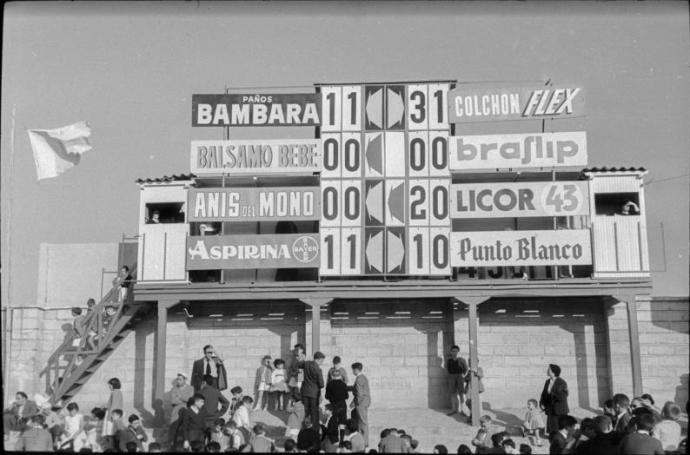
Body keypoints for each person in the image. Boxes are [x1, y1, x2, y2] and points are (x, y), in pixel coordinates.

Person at [539, 364, 569, 435]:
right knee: (552, 424)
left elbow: (563, 396)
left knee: (560, 425)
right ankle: (552, 436)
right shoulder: (547, 381)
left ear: (554, 372)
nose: (547, 371)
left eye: (549, 370)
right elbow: (544, 394)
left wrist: (552, 394)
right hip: (550, 407)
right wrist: (542, 403)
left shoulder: (561, 382)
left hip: (559, 408)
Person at [301, 351, 326, 434]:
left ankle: (304, 430)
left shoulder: (306, 364)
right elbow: (322, 384)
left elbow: (299, 365)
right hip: (314, 394)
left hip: (305, 392)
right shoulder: (318, 369)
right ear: (318, 359)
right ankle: (314, 432)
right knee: (314, 413)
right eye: (322, 361)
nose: (322, 363)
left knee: (306, 412)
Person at [350, 362, 371, 449]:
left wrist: (356, 403)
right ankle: (363, 441)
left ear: (356, 369)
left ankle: (364, 442)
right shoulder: (363, 377)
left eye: (352, 370)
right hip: (365, 402)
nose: (352, 371)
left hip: (361, 403)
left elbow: (359, 393)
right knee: (361, 422)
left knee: (362, 423)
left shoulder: (359, 379)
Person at [445, 345, 468, 416]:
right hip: (451, 377)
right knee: (452, 393)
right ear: (451, 352)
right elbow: (448, 369)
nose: (454, 352)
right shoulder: (449, 360)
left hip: (460, 376)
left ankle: (463, 410)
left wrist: (463, 376)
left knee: (461, 393)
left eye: (456, 351)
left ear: (458, 352)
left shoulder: (462, 360)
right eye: (453, 351)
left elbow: (466, 369)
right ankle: (454, 409)